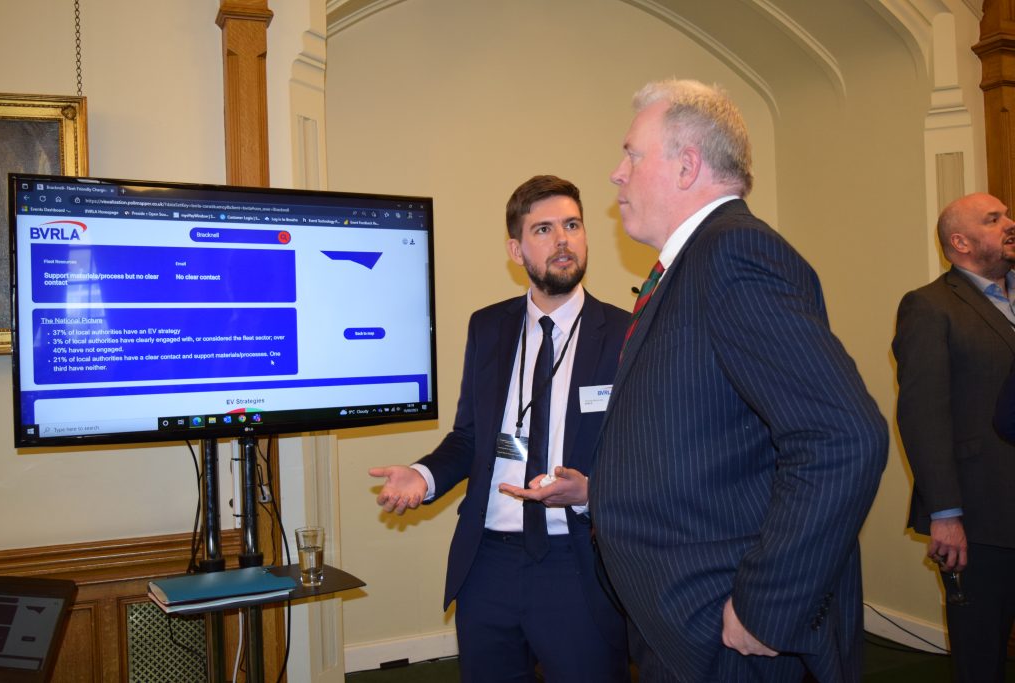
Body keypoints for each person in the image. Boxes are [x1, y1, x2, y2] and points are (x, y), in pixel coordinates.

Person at [589, 78, 888, 682]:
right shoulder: (693, 263)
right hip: (681, 621)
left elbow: (843, 436)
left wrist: (764, 607)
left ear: (686, 166)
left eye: (632, 155)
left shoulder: (734, 254)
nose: (617, 174)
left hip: (726, 632)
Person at [369, 175, 631, 683]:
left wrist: (591, 491)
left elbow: (648, 456)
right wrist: (423, 476)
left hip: (576, 563)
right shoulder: (487, 327)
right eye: (544, 229)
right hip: (488, 563)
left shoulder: (624, 333)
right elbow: (471, 437)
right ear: (516, 250)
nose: (563, 240)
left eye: (572, 225)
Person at [893, 191, 1015, 683]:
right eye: (994, 218)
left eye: (1007, 214)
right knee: (981, 656)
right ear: (961, 242)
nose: (1010, 222)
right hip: (981, 517)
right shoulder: (929, 307)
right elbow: (923, 415)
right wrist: (945, 515)